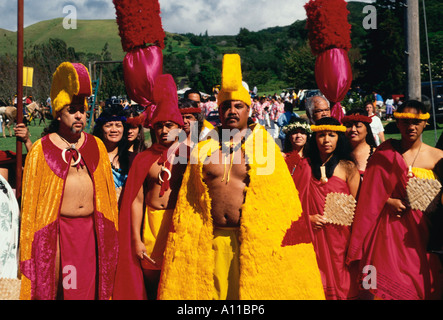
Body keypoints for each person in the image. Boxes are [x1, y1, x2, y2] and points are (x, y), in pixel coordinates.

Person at [156, 54, 325, 300]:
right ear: (219, 110)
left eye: (238, 106)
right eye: (226, 106)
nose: (232, 111)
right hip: (210, 239)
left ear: (249, 109)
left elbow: (279, 203)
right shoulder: (203, 149)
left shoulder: (265, 149)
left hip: (251, 243)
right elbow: (189, 202)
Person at [19, 62, 119, 300]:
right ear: (58, 112)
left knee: (88, 290)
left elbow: (106, 194)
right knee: (62, 288)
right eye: (72, 110)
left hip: (91, 232)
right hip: (58, 232)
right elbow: (30, 203)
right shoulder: (41, 149)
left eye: (82, 111)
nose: (79, 115)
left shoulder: (96, 146)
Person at [347, 100, 443, 300]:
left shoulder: (437, 157)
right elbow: (369, 194)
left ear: (425, 123)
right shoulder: (384, 153)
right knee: (377, 285)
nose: (411, 127)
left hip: (421, 235)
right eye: (405, 121)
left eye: (416, 122)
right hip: (386, 232)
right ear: (397, 123)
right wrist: (387, 201)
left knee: (417, 286)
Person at [113, 74, 188, 300]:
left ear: (179, 127)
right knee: (151, 282)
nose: (164, 131)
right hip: (151, 227)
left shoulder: (190, 156)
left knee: (176, 284)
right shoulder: (143, 159)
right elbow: (135, 201)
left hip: (178, 227)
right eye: (159, 126)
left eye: (169, 125)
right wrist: (136, 239)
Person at [305, 117, 360, 300]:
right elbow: (293, 202)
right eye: (321, 135)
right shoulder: (304, 166)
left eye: (331, 135)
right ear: (314, 138)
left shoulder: (348, 168)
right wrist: (308, 218)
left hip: (340, 236)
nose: (326, 140)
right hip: (311, 233)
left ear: (339, 138)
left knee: (341, 278)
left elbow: (355, 205)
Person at [93, 106, 130, 201]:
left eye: (118, 125)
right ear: (101, 129)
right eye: (108, 125)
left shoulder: (131, 158)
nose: (114, 130)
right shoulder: (93, 157)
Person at [342, 108, 377, 176]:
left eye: (358, 126)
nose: (353, 129)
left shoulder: (377, 155)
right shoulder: (339, 154)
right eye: (348, 126)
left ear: (367, 130)